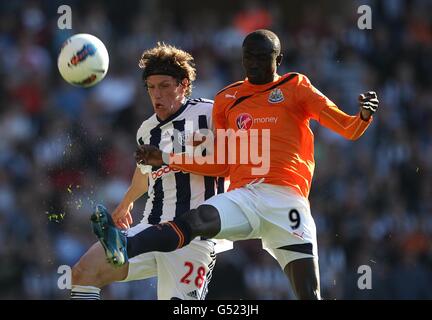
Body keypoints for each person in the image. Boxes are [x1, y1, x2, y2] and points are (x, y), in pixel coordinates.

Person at [95, 30, 379, 300]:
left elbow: (348, 128)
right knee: (196, 220)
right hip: (246, 196)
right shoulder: (227, 99)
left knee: (308, 293)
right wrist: (167, 158)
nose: (253, 63)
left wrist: (363, 116)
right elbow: (221, 165)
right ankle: (125, 245)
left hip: (287, 202)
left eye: (261, 57)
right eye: (248, 57)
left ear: (278, 60)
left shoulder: (296, 87)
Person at [71, 42, 231, 300]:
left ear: (184, 85)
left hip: (192, 236)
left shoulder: (210, 113)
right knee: (83, 272)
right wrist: (125, 204)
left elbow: (229, 163)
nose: (157, 94)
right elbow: (144, 174)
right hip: (150, 229)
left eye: (165, 86)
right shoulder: (147, 130)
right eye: (151, 88)